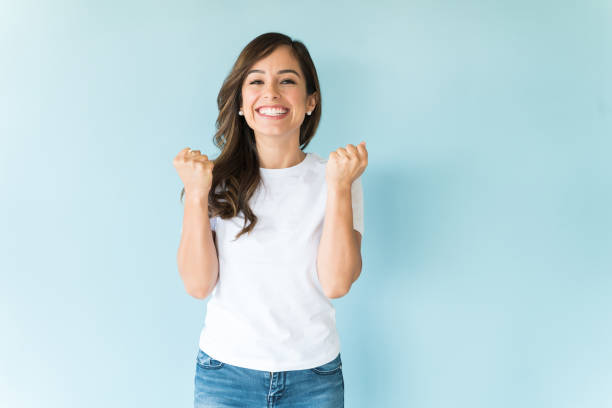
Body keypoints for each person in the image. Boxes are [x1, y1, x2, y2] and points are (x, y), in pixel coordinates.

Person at [173, 32, 367, 408]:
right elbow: (198, 285)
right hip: (224, 374)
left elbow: (337, 282)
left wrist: (339, 187)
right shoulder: (212, 181)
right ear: (242, 103)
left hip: (314, 377)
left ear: (311, 101)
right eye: (257, 81)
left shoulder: (338, 177)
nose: (271, 92)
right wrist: (197, 194)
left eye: (288, 80)